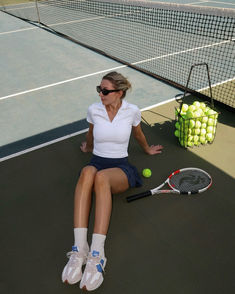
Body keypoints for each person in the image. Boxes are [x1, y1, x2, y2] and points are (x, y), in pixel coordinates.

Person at [62, 71, 163, 291]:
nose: (101, 94)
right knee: (87, 172)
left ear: (119, 92)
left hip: (120, 168)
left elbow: (138, 134)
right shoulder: (93, 110)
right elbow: (91, 133)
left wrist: (147, 149)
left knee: (101, 178)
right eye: (99, 89)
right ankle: (80, 249)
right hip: (97, 161)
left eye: (105, 91)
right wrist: (87, 147)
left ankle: (98, 255)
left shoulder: (132, 111)